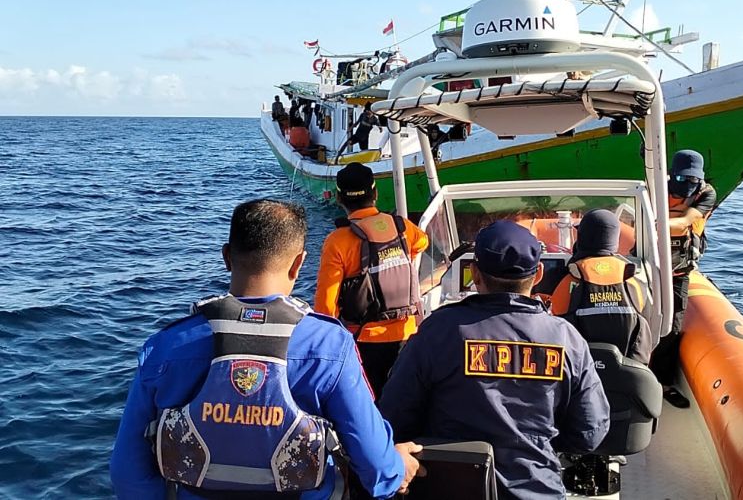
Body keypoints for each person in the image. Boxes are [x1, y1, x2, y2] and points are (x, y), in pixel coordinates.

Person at [110, 199, 422, 500]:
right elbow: (376, 469)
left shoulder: (163, 347)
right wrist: (398, 467)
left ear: (227, 257)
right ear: (299, 263)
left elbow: (127, 471)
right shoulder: (329, 345)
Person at [380, 220, 610, 500]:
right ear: (537, 274)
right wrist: (536, 442)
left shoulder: (437, 332)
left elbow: (393, 414)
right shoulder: (566, 339)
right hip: (538, 489)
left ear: (475, 274)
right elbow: (590, 432)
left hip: (449, 487)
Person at [314, 163, 428, 399]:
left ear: (339, 198)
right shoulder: (401, 226)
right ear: (375, 194)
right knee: (402, 402)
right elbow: (422, 243)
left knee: (368, 403)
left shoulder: (338, 241)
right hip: (407, 333)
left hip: (364, 340)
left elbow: (326, 307)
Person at [650, 149, 716, 408]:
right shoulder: (656, 187)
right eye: (682, 180)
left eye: (693, 180)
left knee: (673, 326)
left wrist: (656, 221)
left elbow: (689, 220)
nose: (687, 186)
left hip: (680, 268)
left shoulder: (706, 194)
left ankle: (663, 382)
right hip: (651, 264)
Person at [550, 208, 653, 364]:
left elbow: (556, 317)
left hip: (582, 376)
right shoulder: (632, 281)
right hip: (626, 375)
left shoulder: (571, 280)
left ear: (581, 239)